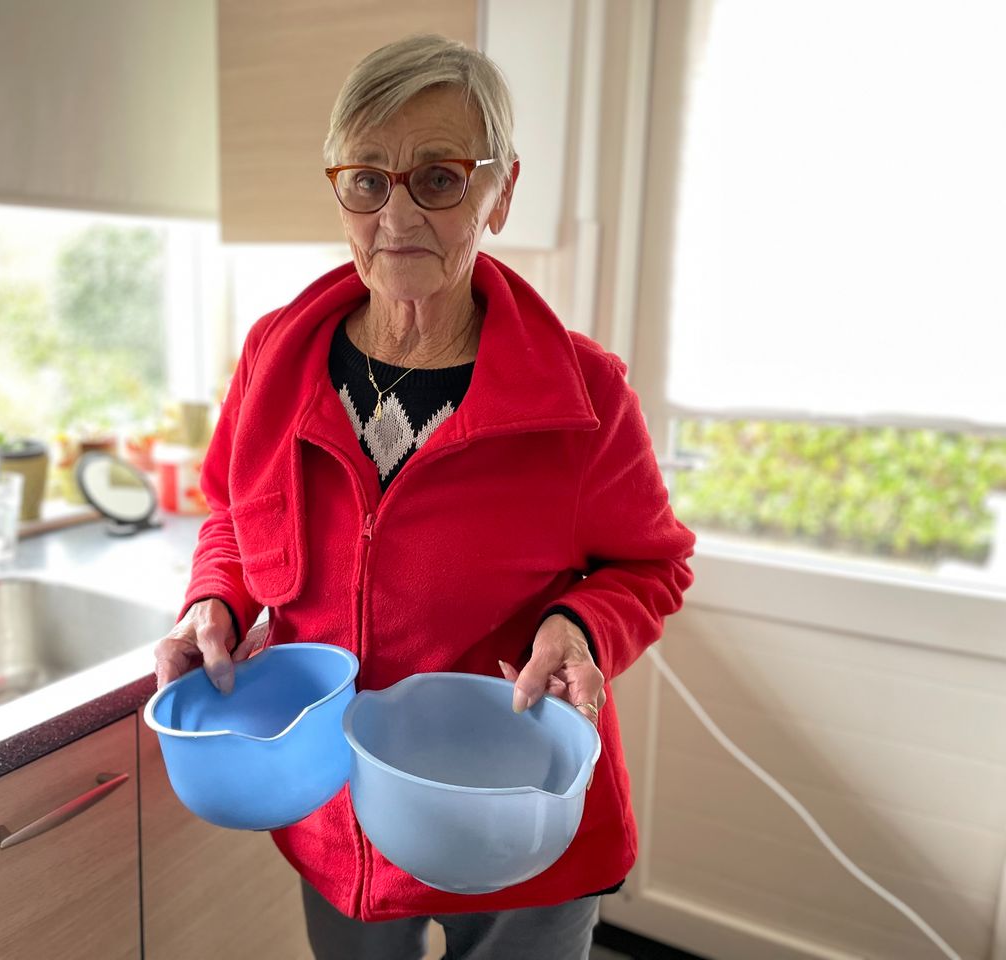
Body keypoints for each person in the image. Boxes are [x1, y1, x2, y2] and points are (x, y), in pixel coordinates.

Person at [153, 33, 695, 960]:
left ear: (501, 192)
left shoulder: (585, 396)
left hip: (513, 820)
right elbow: (233, 517)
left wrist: (582, 627)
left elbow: (653, 564)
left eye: (439, 178)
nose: (396, 214)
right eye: (367, 180)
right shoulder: (274, 360)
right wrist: (215, 600)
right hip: (337, 812)